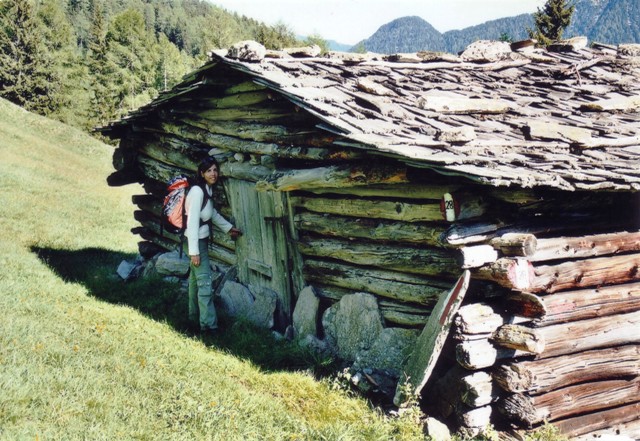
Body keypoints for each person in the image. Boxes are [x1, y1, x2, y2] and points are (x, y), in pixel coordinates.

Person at [185, 156, 241, 335]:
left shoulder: (206, 190)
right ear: (202, 173)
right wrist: (194, 252)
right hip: (196, 243)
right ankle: (209, 326)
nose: (213, 173)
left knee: (195, 283)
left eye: (215, 170)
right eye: (209, 170)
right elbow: (192, 223)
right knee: (205, 284)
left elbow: (212, 214)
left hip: (198, 242)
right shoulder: (197, 192)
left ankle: (193, 319)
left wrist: (228, 229)